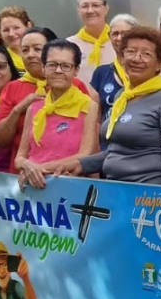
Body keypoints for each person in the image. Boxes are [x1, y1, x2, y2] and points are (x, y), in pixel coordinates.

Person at [60, 25, 161, 186]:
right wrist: (81, 164)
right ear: (121, 57)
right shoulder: (122, 96)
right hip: (116, 189)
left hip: (149, 195)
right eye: (131, 51)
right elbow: (115, 152)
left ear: (159, 63)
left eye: (146, 54)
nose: (136, 58)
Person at [15, 40, 100, 188]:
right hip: (32, 185)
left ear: (76, 70)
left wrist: (39, 169)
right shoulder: (34, 108)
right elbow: (20, 158)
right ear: (43, 68)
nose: (58, 70)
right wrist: (28, 166)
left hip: (69, 184)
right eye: (52, 65)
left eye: (66, 66)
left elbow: (84, 156)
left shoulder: (88, 106)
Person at [0, 28, 51, 161]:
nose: (30, 54)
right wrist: (18, 109)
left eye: (37, 49)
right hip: (22, 172)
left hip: (63, 171)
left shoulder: (72, 84)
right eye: (25, 50)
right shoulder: (13, 88)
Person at [92, 13, 137, 119]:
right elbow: (96, 117)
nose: (119, 38)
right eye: (115, 34)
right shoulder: (101, 73)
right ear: (109, 36)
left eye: (125, 33)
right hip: (108, 134)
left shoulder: (148, 70)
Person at [69, 0, 115, 83]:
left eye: (95, 5)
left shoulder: (119, 40)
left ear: (106, 8)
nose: (90, 10)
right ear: (78, 10)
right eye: (85, 6)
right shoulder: (69, 45)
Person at [0, 6, 34, 73]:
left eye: (16, 28)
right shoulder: (0, 60)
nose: (11, 34)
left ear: (28, 26)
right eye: (6, 30)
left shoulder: (45, 53)